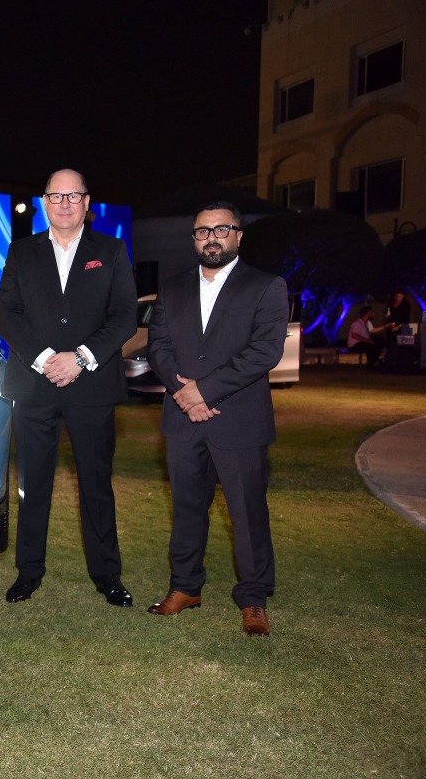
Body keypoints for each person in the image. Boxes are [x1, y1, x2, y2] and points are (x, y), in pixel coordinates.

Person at [0, 168, 138, 607]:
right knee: (32, 484)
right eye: (56, 196)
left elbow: (124, 316)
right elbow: (8, 314)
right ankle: (28, 573)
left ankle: (107, 575)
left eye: (73, 196)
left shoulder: (111, 251)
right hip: (34, 386)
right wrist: (44, 360)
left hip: (91, 385)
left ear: (87, 203)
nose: (64, 203)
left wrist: (79, 358)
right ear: (44, 202)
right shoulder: (22, 252)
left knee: (96, 483)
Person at [145, 201, 288, 637]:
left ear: (238, 236)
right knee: (187, 510)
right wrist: (184, 393)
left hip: (239, 421)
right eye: (202, 231)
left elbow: (265, 351)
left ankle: (254, 598)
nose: (211, 237)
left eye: (221, 229)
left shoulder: (265, 286)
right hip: (184, 421)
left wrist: (202, 391)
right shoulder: (172, 289)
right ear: (194, 239)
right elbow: (158, 348)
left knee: (247, 514)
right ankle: (186, 587)